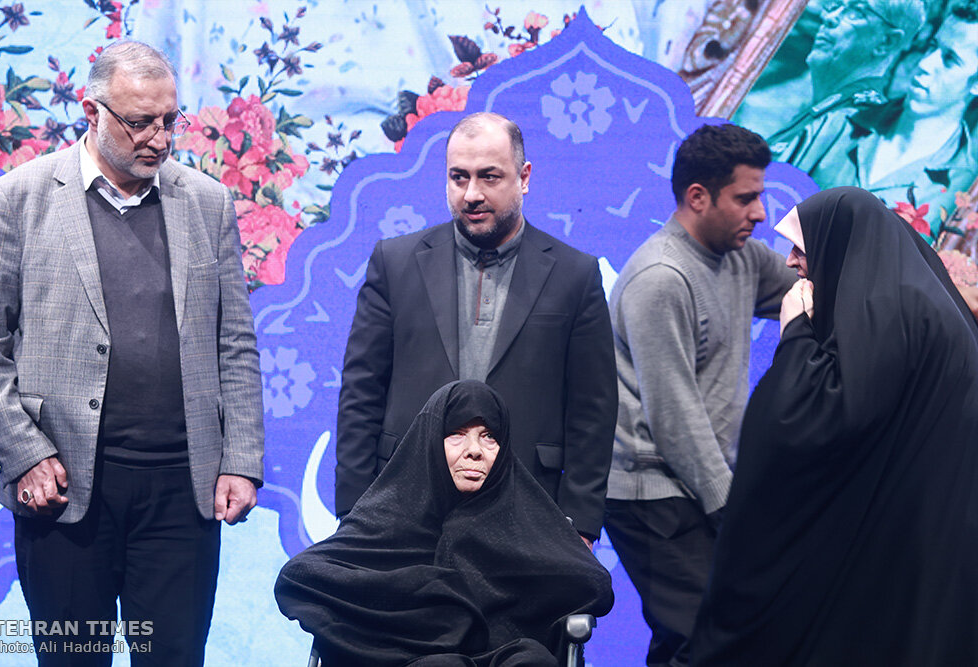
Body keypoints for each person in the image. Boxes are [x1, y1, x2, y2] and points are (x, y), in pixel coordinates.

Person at [0, 41, 263, 665]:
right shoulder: (16, 198)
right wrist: (25, 453)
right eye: (139, 122)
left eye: (169, 120)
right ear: (92, 111)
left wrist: (241, 458)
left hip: (180, 495)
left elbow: (235, 341)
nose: (158, 139)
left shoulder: (206, 202)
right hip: (64, 490)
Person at [691, 187, 978, 665]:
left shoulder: (890, 313)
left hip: (904, 546)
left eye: (800, 248)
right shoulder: (916, 301)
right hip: (928, 538)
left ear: (839, 242)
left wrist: (796, 334)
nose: (790, 261)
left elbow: (808, 423)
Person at [335, 111, 617, 545]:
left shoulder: (574, 275)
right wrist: (353, 511)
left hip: (529, 509)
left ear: (524, 177)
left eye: (489, 177)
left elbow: (592, 411)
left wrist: (578, 523)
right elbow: (361, 392)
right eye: (458, 177)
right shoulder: (394, 263)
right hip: (402, 504)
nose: (471, 194)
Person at [603, 123, 796, 667]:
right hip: (649, 489)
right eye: (746, 198)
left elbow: (812, 294)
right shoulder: (661, 278)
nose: (761, 213)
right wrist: (729, 506)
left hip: (696, 481)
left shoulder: (743, 259)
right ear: (697, 197)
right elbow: (674, 417)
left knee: (685, 641)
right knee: (708, 639)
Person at [276, 380, 613, 666]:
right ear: (430, 440)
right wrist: (435, 596)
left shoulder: (525, 520)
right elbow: (299, 576)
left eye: (488, 436)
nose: (474, 450)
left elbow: (592, 582)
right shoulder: (388, 514)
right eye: (457, 434)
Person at [818, 0, 978, 229]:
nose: (925, 63)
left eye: (950, 60)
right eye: (932, 46)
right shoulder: (838, 122)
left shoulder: (963, 192)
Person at [767, 0, 924, 176]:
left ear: (886, 42)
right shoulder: (827, 109)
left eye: (856, 12)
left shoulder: (853, 128)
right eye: (834, 5)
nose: (828, 17)